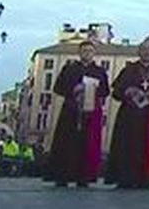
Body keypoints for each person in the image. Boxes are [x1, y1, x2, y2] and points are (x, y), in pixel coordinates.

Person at [106, 40, 149, 189]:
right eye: (143, 49)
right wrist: (128, 91)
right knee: (126, 146)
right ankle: (124, 178)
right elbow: (116, 92)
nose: (146, 52)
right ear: (138, 51)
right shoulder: (129, 69)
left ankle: (147, 179)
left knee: (148, 147)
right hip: (129, 116)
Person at [46, 39, 110, 187]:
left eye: (90, 51)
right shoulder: (69, 69)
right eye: (84, 51)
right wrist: (74, 89)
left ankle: (84, 177)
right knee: (66, 143)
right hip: (71, 111)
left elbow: (105, 91)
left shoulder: (99, 72)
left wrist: (93, 88)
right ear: (79, 52)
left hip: (90, 113)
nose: (87, 54)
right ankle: (62, 176)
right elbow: (58, 88)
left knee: (86, 145)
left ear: (94, 54)